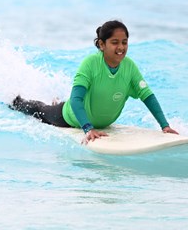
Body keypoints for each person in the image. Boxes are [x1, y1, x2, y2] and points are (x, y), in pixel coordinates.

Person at [9, 20, 178, 142]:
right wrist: (88, 129)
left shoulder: (129, 67)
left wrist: (164, 125)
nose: (121, 47)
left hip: (100, 124)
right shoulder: (90, 64)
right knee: (40, 111)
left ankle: (55, 102)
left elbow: (147, 96)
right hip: (69, 118)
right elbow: (76, 100)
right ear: (102, 44)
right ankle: (16, 101)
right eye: (115, 42)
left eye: (124, 42)